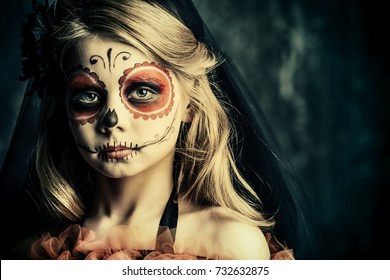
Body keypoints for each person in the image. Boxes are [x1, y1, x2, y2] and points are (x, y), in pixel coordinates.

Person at [0, 0, 315, 260]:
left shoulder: (229, 244)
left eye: (142, 91)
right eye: (89, 95)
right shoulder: (35, 246)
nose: (111, 119)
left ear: (190, 104)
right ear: (64, 108)